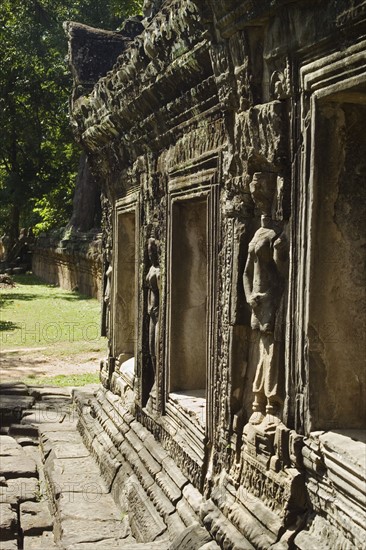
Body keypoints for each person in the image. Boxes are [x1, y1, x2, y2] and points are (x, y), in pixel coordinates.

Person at [243, 172, 288, 426]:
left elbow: (282, 277)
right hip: (257, 302)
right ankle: (258, 400)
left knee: (270, 351)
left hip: (270, 300)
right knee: (261, 350)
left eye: (261, 186)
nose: (255, 190)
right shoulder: (259, 232)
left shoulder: (276, 234)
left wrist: (266, 296)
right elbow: (246, 272)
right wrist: (250, 296)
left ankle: (270, 405)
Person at [146, 238, 160, 378]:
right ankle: (156, 377)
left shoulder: (159, 272)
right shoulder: (151, 269)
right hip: (151, 312)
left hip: (158, 313)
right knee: (151, 346)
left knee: (157, 347)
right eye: (149, 252)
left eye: (152, 252)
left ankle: (158, 378)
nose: (150, 255)